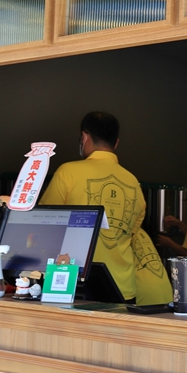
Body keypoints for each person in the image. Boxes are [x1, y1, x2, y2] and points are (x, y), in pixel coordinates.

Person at [39, 111, 145, 302]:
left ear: (85, 137)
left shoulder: (68, 172)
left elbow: (45, 224)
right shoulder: (134, 183)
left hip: (75, 284)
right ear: (116, 143)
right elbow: (130, 235)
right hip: (123, 289)